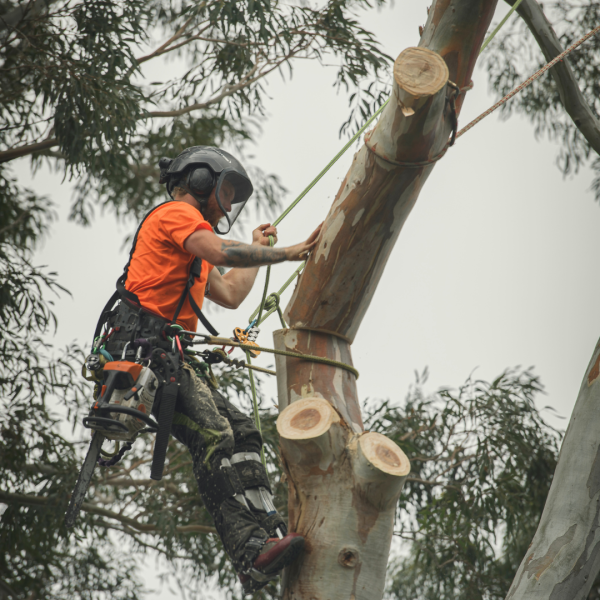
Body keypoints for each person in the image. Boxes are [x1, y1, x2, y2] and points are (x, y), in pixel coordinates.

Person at [99, 146, 321, 594]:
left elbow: (232, 292)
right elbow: (220, 250)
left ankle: (268, 531)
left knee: (242, 431)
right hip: (144, 351)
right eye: (225, 190)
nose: (227, 203)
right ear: (200, 181)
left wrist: (260, 250)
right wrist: (289, 253)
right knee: (214, 433)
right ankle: (249, 552)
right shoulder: (175, 214)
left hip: (169, 355)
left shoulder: (196, 248)